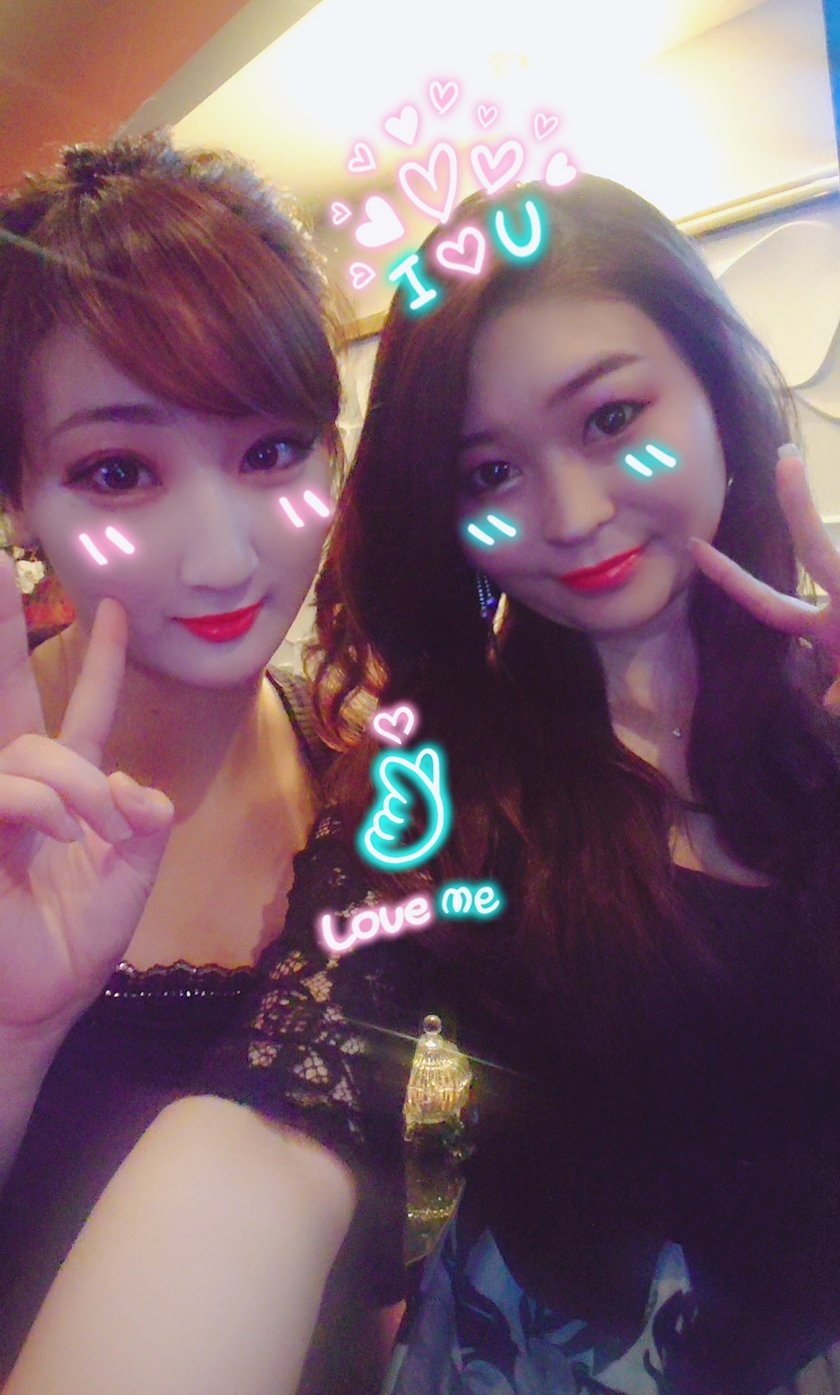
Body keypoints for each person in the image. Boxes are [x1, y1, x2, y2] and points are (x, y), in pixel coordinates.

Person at [9, 173, 840, 1395]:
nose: (571, 514)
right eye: (488, 473)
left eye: (613, 418)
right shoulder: (443, 793)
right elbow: (279, 1125)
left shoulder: (336, 748)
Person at [0, 132, 397, 1394]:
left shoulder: (376, 781)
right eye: (119, 471)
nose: (224, 558)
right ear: (18, 498)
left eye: (272, 451)